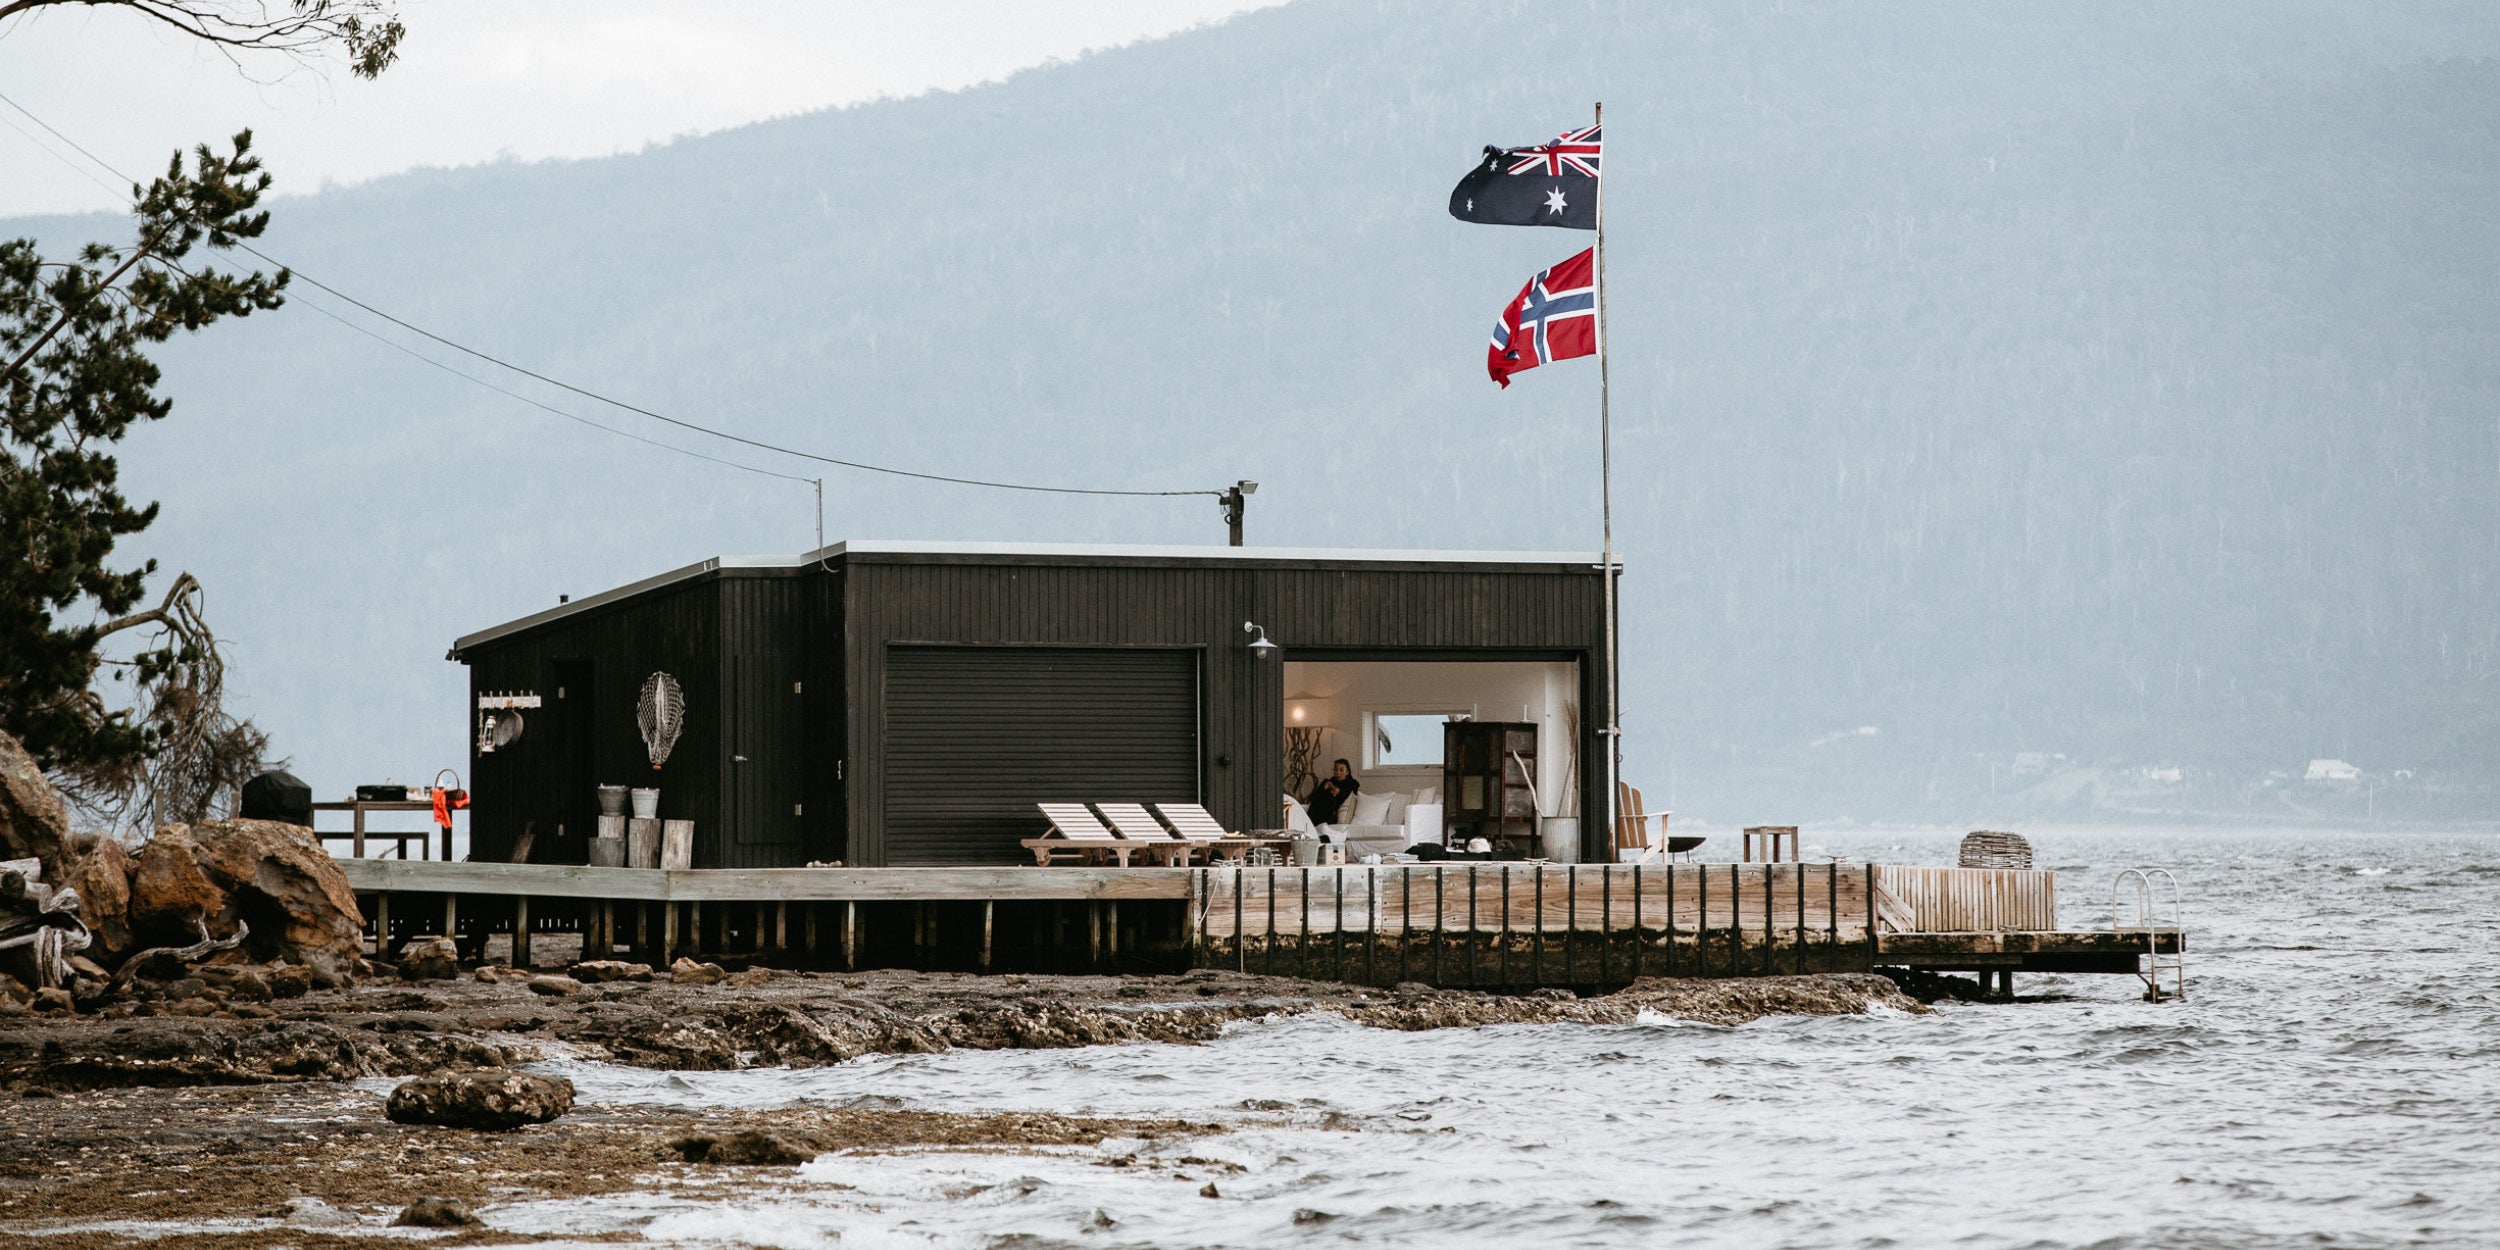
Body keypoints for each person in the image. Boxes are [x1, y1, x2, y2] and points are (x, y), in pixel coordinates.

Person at [1305, 759, 1359, 825]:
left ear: (1347, 772)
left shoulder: (1352, 784)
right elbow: (1312, 798)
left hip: (1330, 816)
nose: (1338, 772)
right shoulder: (1327, 782)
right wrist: (1323, 788)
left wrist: (1337, 793)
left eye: (1341, 770)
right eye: (1335, 769)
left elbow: (1341, 799)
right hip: (1315, 812)